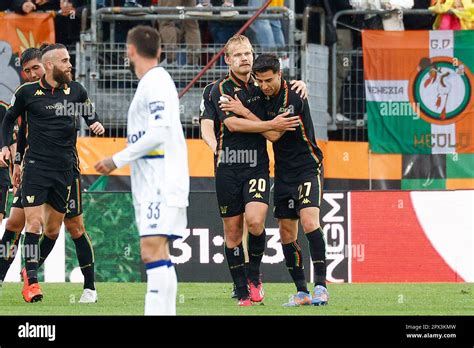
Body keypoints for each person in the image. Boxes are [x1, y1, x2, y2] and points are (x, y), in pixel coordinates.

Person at [219, 53, 329, 306]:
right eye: (260, 81)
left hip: (307, 167)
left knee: (310, 222)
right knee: (286, 233)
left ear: (280, 74)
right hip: (282, 173)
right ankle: (302, 292)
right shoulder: (261, 96)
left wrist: (244, 111)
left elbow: (273, 134)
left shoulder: (293, 97)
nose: (265, 85)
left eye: (269, 80)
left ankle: (321, 287)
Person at [94, 25, 189, 316]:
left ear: (130, 50)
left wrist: (116, 159)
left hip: (161, 183)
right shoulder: (153, 82)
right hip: (157, 182)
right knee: (159, 253)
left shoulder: (156, 82)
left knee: (151, 251)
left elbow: (159, 132)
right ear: (160, 50)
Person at [0, 44, 104, 303]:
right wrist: (15, 160)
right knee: (20, 223)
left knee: (66, 227)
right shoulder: (26, 94)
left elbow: (89, 114)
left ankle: (87, 287)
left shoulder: (74, 90)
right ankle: (28, 280)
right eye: (27, 71)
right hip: (34, 168)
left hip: (67, 169)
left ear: (44, 65)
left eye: (35, 68)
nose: (32, 74)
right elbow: (18, 128)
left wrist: (95, 123)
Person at [209, 34, 303, 306]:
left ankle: (254, 278)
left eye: (248, 53)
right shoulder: (220, 89)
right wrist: (269, 124)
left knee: (256, 221)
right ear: (227, 60)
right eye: (238, 55)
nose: (245, 58)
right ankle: (241, 291)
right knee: (233, 234)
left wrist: (300, 84)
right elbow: (234, 126)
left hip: (256, 166)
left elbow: (281, 103)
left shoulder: (261, 86)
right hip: (227, 166)